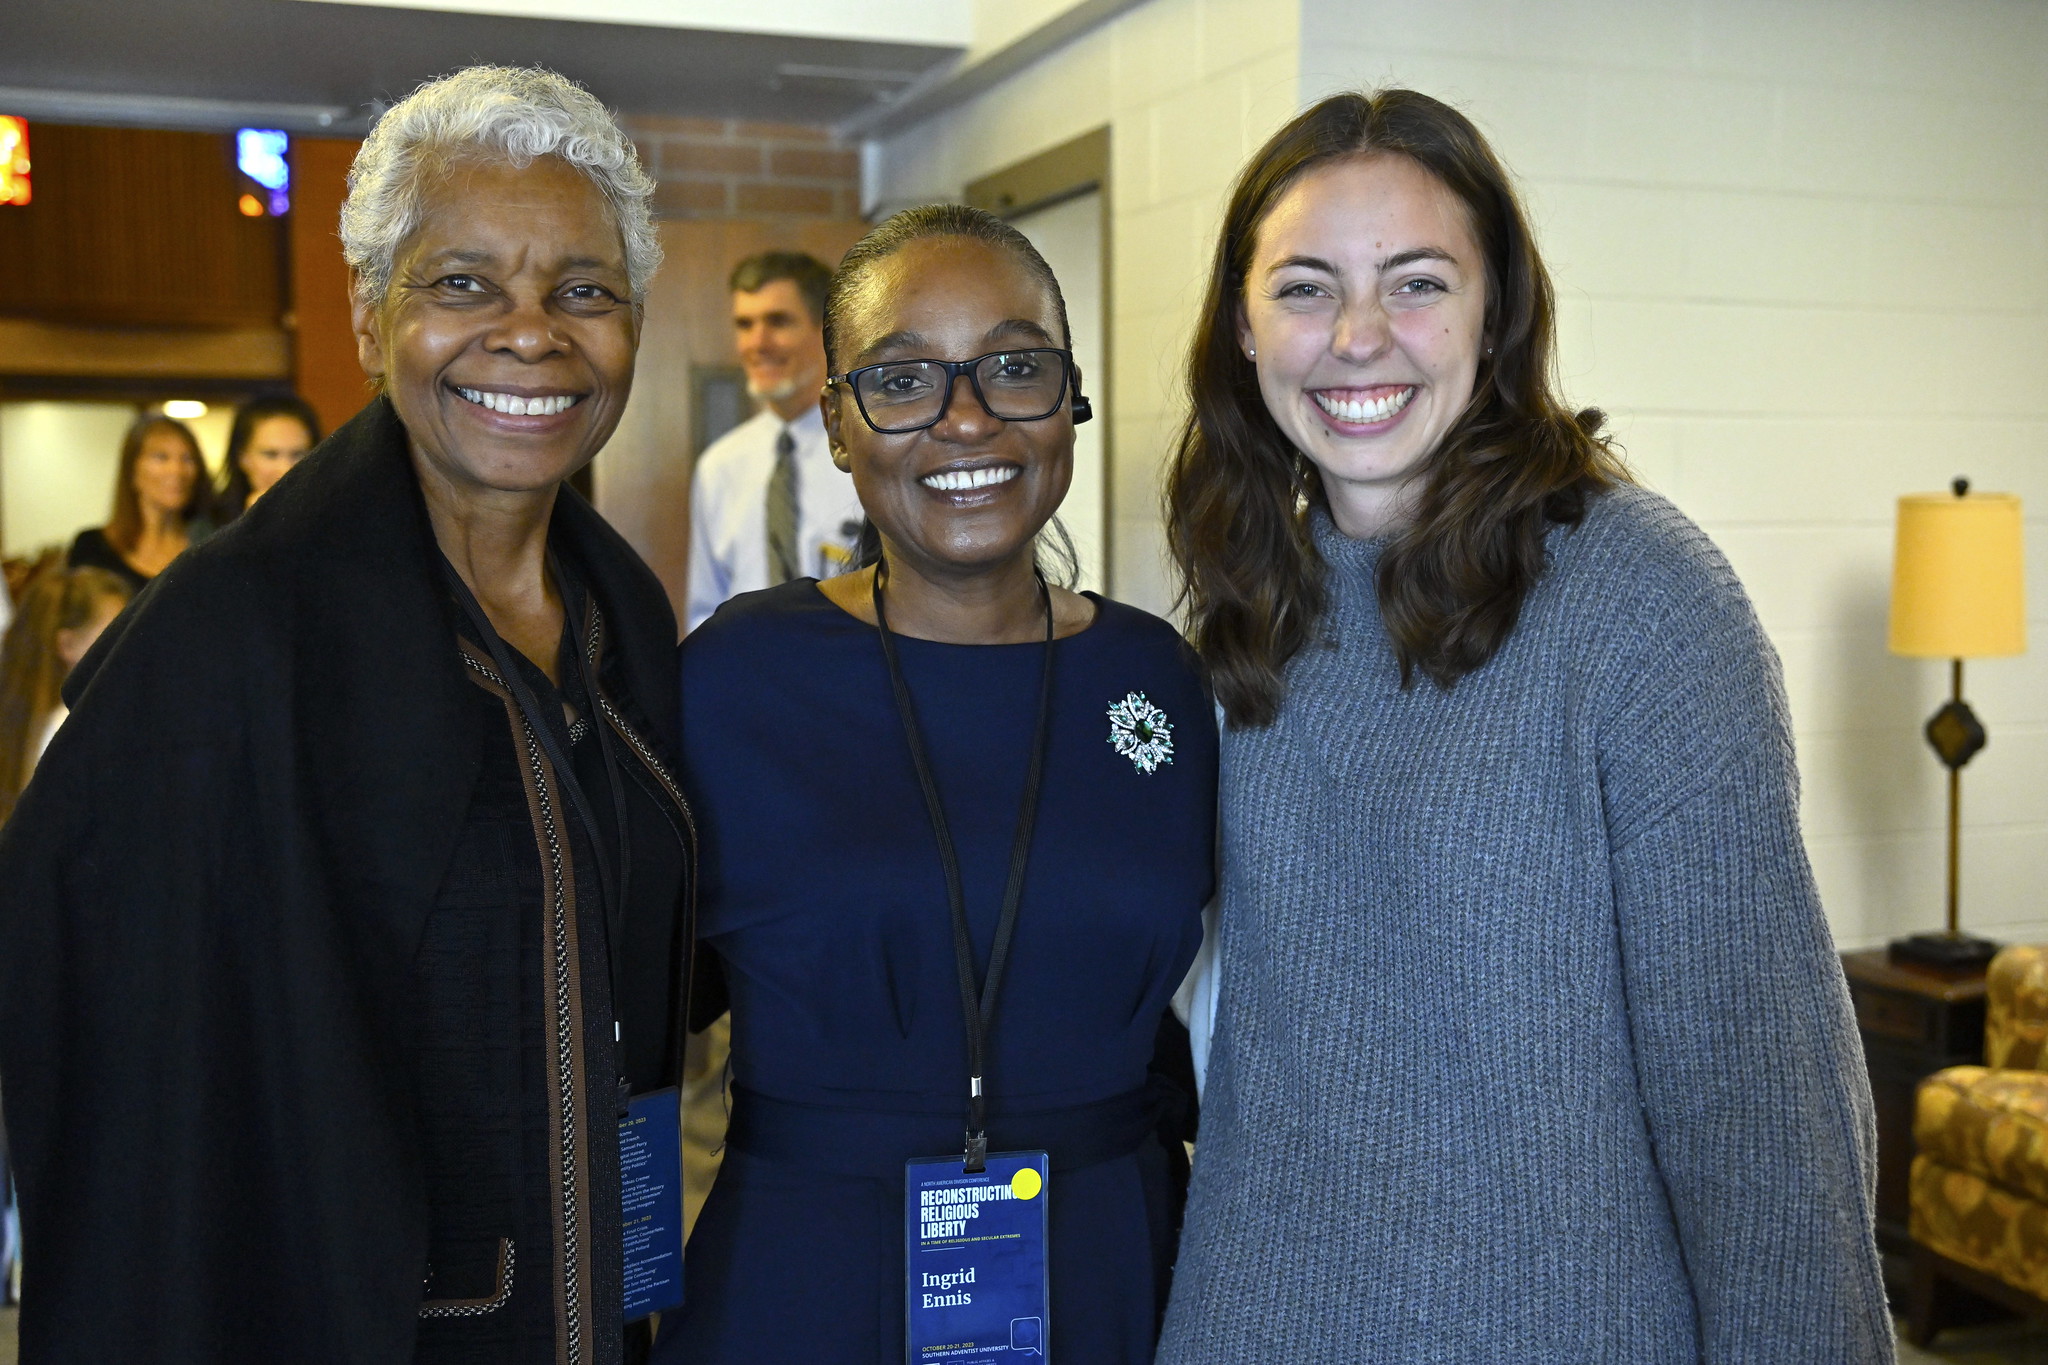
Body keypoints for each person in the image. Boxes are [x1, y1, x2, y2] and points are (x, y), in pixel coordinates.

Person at [1154, 89, 1892, 1363]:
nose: (1359, 337)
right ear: (1241, 325)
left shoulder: (1641, 603)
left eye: (1419, 283)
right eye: (1305, 287)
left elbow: (1759, 1109)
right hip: (1255, 1317)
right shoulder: (1245, 591)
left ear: (1496, 311)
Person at [0, 66, 696, 1363]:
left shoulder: (624, 619)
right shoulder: (228, 637)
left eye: (583, 289)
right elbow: (117, 1073)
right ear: (371, 321)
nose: (531, 331)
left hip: (606, 1309)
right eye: (462, 282)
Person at [657, 205, 1216, 1365]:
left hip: (1114, 1268)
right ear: (839, 425)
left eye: (1015, 368)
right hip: (803, 1273)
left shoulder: (1158, 678)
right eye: (902, 379)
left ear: (1070, 400)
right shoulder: (732, 680)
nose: (965, 418)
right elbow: (631, 1012)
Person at [684, 250, 864, 632]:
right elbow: (705, 612)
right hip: (748, 683)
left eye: (778, 321)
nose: (758, 343)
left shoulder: (869, 451)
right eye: (744, 324)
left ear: (827, 330)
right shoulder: (719, 467)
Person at [0, 558, 129, 822]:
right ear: (67, 645)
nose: (128, 649)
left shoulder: (30, 721)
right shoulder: (73, 725)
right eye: (113, 635)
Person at [68, 412, 213, 596]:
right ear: (132, 469)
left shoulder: (208, 544)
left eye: (187, 459)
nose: (177, 470)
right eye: (161, 457)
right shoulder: (93, 548)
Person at [214, 394, 322, 522]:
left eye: (298, 454)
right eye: (270, 455)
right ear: (242, 458)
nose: (285, 469)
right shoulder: (209, 525)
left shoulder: (334, 518)